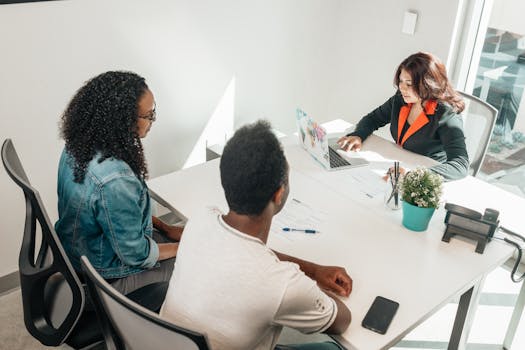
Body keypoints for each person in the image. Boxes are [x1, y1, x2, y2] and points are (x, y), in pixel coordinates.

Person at [160, 120, 352, 350]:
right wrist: (304, 285)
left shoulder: (201, 219)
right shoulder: (284, 286)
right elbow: (342, 321)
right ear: (279, 193)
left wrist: (313, 270)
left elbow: (250, 254)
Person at [55, 71, 182, 308]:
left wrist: (164, 226)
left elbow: (114, 215)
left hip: (78, 252)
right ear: (123, 120)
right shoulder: (115, 179)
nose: (153, 120)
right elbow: (138, 255)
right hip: (106, 276)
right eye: (149, 115)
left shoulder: (77, 146)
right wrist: (184, 246)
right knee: (199, 265)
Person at [337, 52, 469, 181]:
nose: (402, 88)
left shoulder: (447, 114)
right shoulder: (401, 99)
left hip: (428, 178)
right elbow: (373, 119)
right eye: (401, 81)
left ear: (428, 84)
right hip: (400, 164)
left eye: (409, 84)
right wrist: (359, 134)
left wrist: (415, 175)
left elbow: (460, 165)